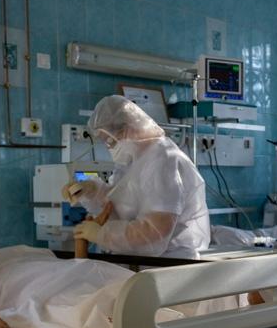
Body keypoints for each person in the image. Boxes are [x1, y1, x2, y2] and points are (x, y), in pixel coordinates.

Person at [63, 96, 209, 258]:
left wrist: (103, 235)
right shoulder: (133, 159)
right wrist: (91, 191)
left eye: (110, 141)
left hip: (169, 262)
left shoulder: (163, 160)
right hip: (143, 262)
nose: (109, 147)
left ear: (127, 130)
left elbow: (155, 231)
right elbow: (119, 203)